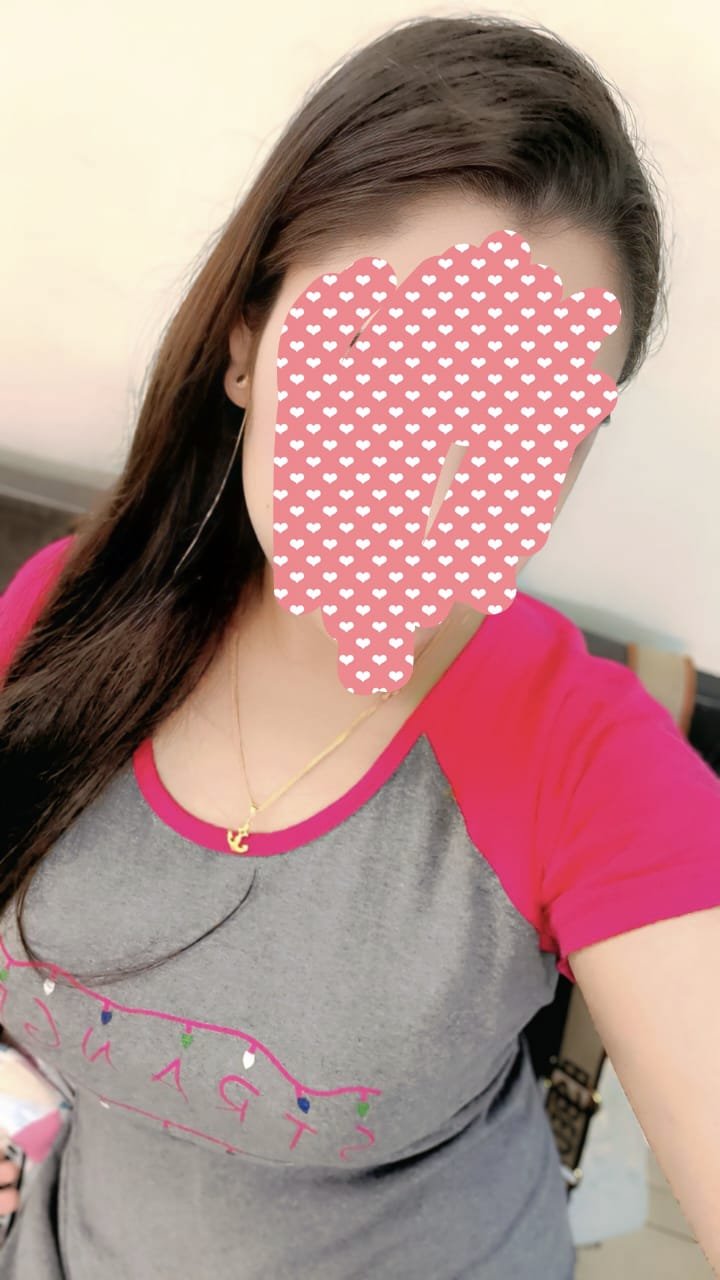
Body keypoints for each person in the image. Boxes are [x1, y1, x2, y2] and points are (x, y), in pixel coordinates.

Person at [1, 14, 720, 1280]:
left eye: (516, 423)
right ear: (246, 343)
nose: (430, 481)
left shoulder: (581, 758)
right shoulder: (68, 612)